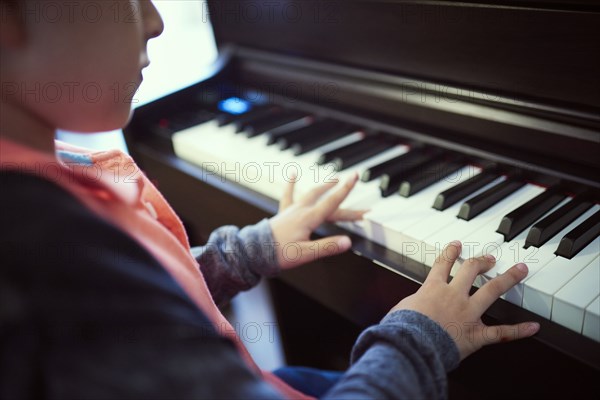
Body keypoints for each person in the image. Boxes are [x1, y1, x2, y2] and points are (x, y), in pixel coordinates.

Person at [0, 1, 540, 399]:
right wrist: (422, 339)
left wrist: (240, 254)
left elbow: (137, 307)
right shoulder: (36, 246)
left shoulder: (49, 175)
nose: (155, 21)